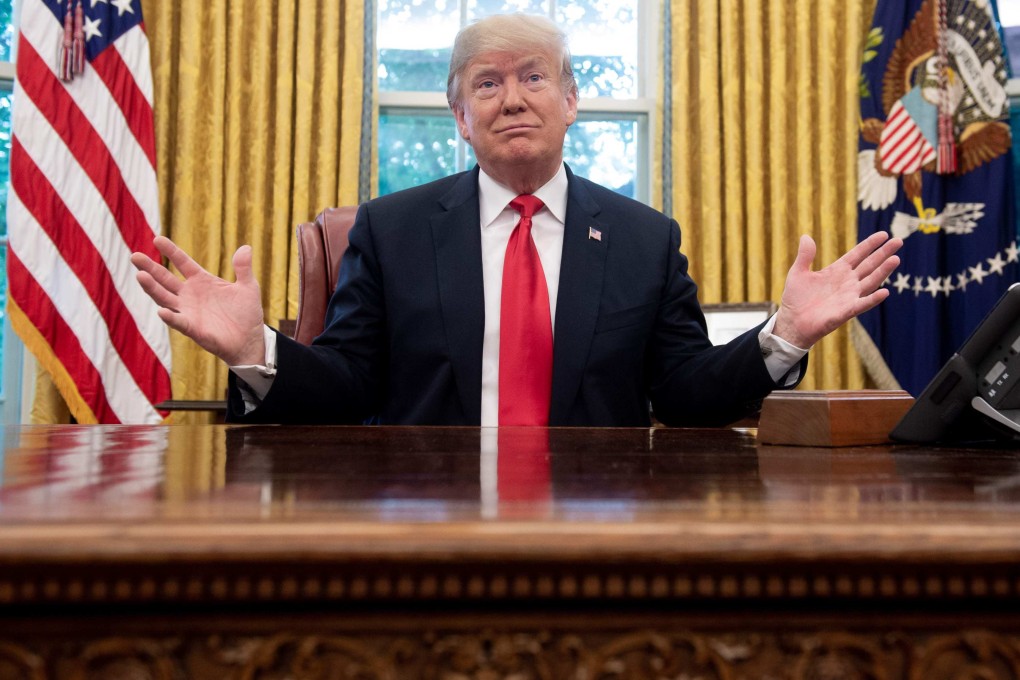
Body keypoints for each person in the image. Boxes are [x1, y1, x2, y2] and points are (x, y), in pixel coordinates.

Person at [131, 13, 901, 428]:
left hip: (600, 526)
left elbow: (687, 396)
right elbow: (346, 387)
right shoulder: (390, 230)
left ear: (570, 101)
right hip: (426, 523)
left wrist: (784, 336)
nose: (512, 98)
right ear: (460, 117)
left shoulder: (645, 238)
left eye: (533, 77)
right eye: (487, 84)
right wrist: (254, 348)